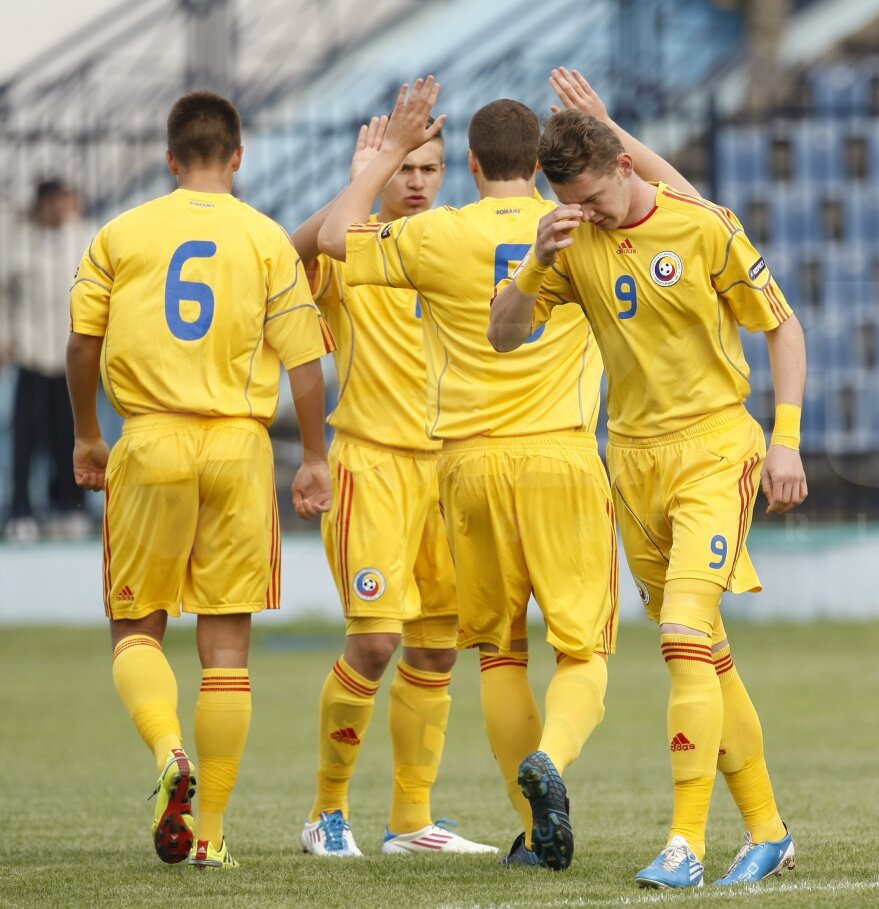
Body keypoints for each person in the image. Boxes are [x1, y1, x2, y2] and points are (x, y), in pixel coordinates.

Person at [489, 70, 809, 890]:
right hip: (631, 464)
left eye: (595, 196)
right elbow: (503, 337)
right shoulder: (570, 240)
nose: (587, 212)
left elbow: (784, 328)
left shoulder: (703, 229)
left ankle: (686, 843)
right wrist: (532, 262)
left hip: (714, 450)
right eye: (574, 201)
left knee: (680, 637)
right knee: (707, 655)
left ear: (625, 168)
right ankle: (769, 832)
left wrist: (787, 440)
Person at [317, 77, 618, 872]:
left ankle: (528, 824)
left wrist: (379, 160)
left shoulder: (439, 235)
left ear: (472, 165)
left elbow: (335, 236)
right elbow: (682, 205)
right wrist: (605, 132)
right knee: (583, 652)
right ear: (546, 163)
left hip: (467, 462)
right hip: (560, 455)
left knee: (496, 652)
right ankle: (549, 761)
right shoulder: (591, 226)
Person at [67, 90, 334, 870]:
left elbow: (83, 343)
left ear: (170, 156)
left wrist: (90, 432)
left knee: (136, 624)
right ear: (239, 157)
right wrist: (314, 455)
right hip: (240, 447)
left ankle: (167, 748)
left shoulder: (121, 233)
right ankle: (210, 833)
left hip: (150, 439)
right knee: (226, 651)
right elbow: (307, 365)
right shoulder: (264, 238)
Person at [289, 115, 495, 858]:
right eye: (403, 169)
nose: (415, 182)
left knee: (438, 649)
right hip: (372, 466)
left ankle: (411, 819)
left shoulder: (454, 251)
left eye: (428, 169)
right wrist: (359, 180)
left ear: (449, 175)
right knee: (375, 640)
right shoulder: (354, 248)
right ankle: (326, 811)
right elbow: (291, 252)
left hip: (448, 470)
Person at [1, 179, 94, 541]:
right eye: (54, 202)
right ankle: (20, 509)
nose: (60, 208)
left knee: (69, 435)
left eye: (65, 201)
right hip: (31, 353)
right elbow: (5, 295)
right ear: (42, 205)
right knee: (25, 437)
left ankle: (68, 506)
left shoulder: (85, 236)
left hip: (71, 356)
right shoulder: (20, 241)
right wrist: (6, 338)